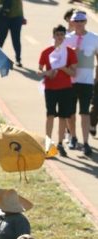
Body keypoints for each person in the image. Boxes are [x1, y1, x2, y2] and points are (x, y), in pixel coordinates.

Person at [40, 25, 78, 156]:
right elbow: (39, 70)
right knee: (50, 115)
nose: (60, 37)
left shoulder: (70, 52)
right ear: (53, 36)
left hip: (65, 89)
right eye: (57, 34)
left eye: (62, 34)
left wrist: (62, 68)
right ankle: (48, 143)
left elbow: (73, 73)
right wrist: (47, 72)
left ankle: (60, 143)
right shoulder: (46, 52)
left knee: (63, 116)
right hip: (50, 88)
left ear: (65, 36)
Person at [65, 11, 98, 156]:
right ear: (71, 22)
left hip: (86, 81)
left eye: (81, 21)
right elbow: (59, 58)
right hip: (69, 81)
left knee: (84, 112)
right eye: (75, 21)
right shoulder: (66, 38)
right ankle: (73, 137)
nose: (78, 23)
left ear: (85, 22)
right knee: (70, 112)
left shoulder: (94, 38)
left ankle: (85, 143)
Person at [0, 0, 24, 66]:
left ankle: (18, 59)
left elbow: (20, 3)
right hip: (3, 16)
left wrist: (22, 16)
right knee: (1, 38)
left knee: (16, 39)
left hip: (16, 17)